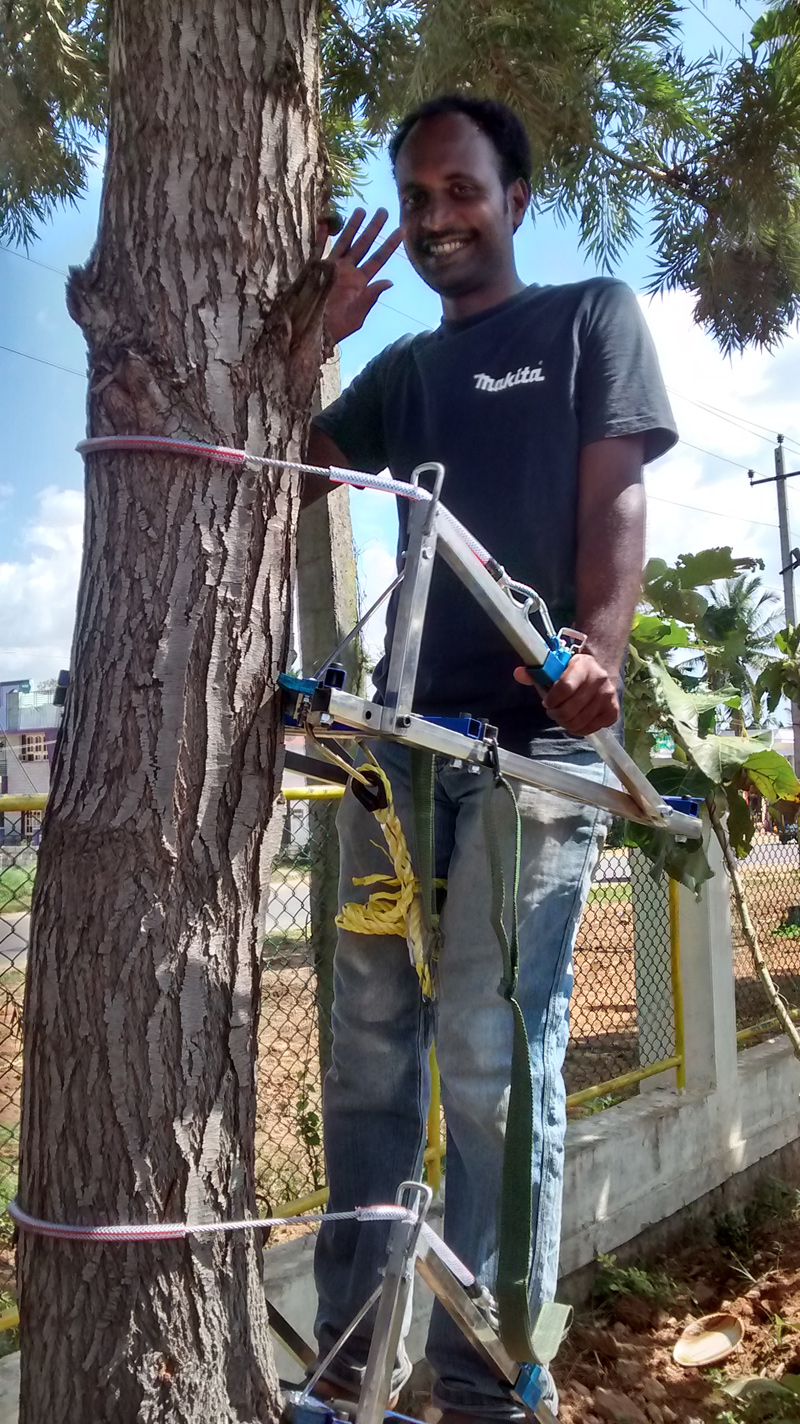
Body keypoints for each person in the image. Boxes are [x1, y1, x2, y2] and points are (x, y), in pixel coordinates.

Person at [303, 94, 678, 1420]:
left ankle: (482, 1379)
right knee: (363, 1046)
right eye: (416, 199)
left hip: (535, 756)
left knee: (484, 1049)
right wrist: (315, 342)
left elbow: (617, 488)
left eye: (459, 191)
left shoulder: (587, 320)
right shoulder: (406, 370)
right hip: (395, 752)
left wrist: (597, 646)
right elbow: (294, 467)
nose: (436, 220)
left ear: (515, 196)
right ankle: (349, 1362)